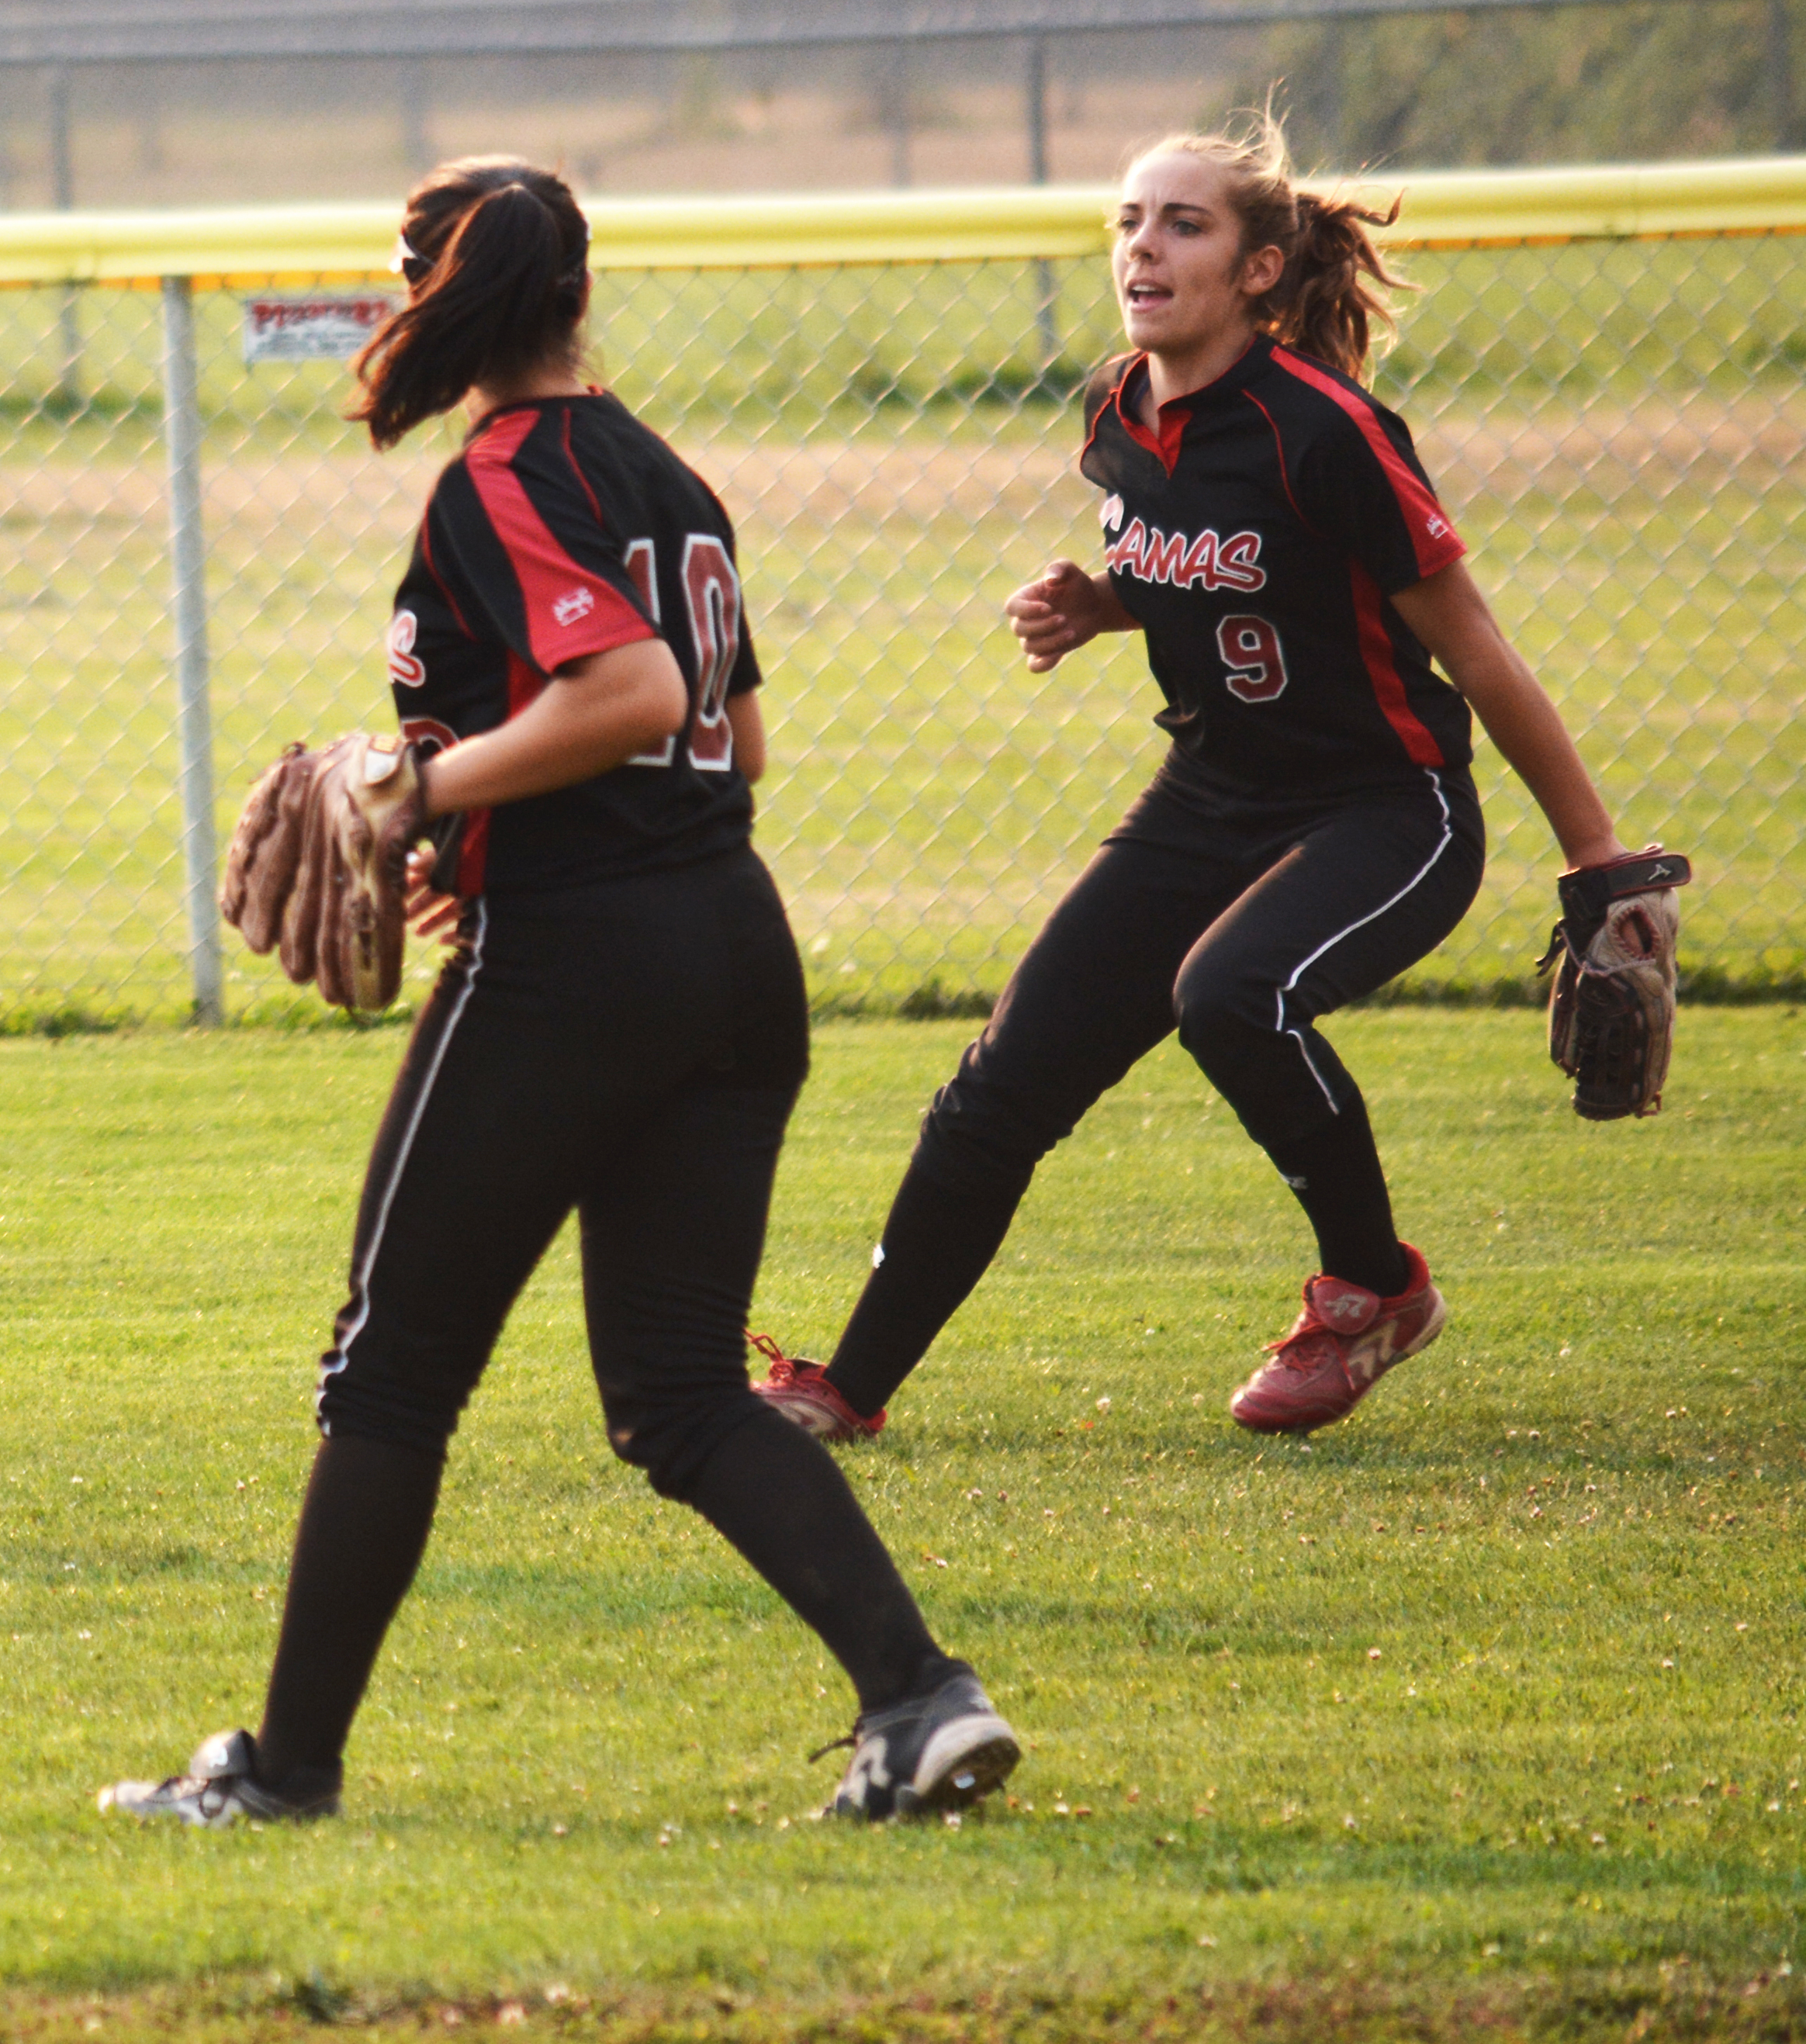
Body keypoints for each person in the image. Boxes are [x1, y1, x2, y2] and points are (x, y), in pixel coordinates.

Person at [102, 158, 1019, 1830]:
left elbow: (633, 689)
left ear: (432, 297)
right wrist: (503, 802)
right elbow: (729, 739)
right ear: (578, 288)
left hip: (579, 970)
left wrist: (427, 793)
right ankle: (921, 1699)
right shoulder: (663, 469)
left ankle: (284, 1769)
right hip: (732, 946)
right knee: (674, 1391)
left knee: (390, 1373)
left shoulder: (502, 477)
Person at [758, 116, 1659, 1447]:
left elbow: (1471, 646)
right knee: (1002, 1083)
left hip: (1384, 808)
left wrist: (1598, 863)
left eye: (1185, 224)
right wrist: (1103, 602)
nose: (1143, 245)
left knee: (1231, 996)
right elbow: (1233, 571)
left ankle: (1376, 1290)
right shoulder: (1117, 408)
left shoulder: (1329, 430)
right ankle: (842, 1389)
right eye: (1130, 220)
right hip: (1207, 801)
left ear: (1258, 270)